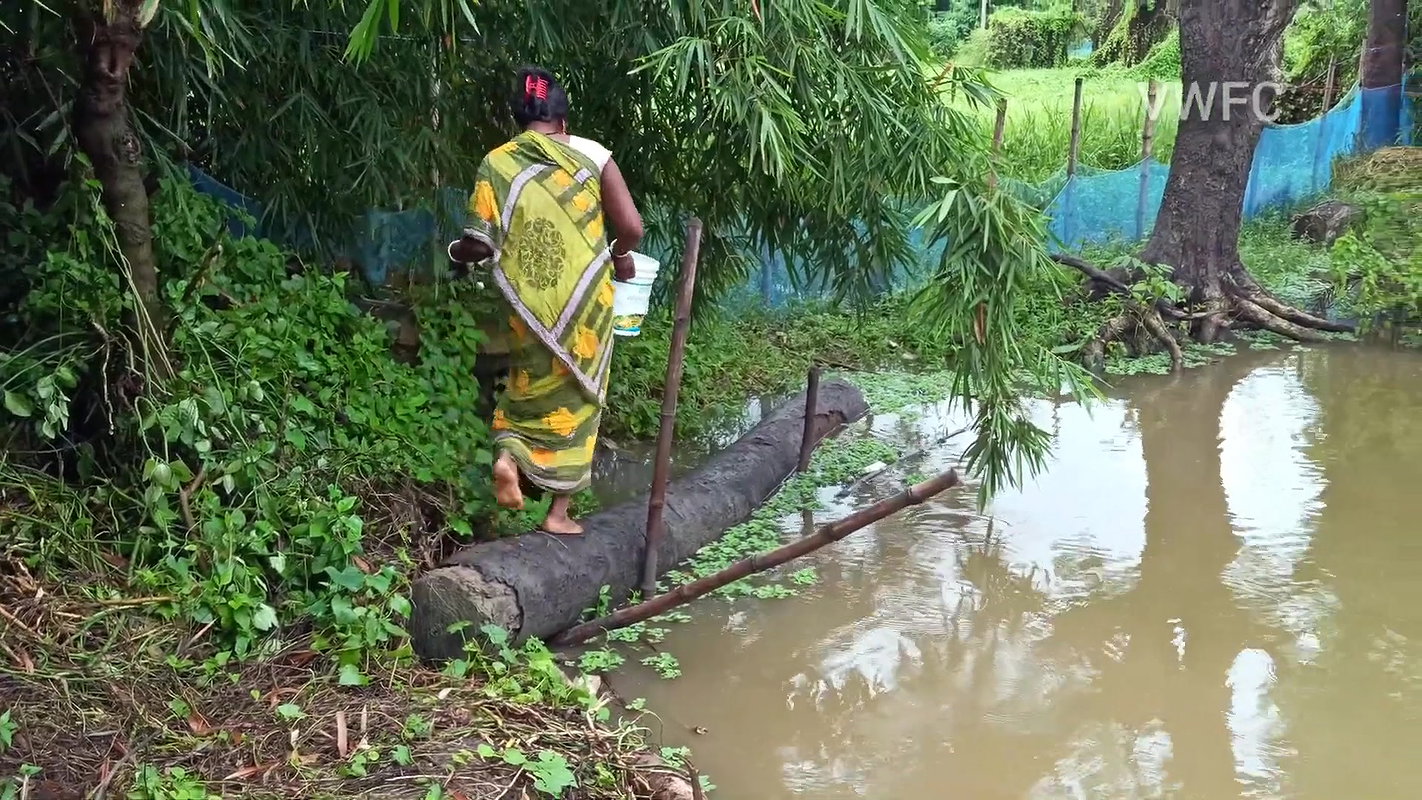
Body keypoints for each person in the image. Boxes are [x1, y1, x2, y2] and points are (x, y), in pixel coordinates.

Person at [448, 66, 643, 535]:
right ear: (564, 119)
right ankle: (558, 515)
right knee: (580, 401)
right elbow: (632, 229)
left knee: (525, 390)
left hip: (527, 308)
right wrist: (620, 256)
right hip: (587, 308)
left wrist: (456, 252)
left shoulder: (498, 161)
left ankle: (508, 459)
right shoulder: (593, 156)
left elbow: (478, 243)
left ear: (521, 116)